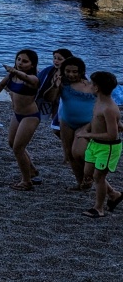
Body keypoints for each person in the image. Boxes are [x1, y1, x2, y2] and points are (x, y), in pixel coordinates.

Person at [0, 49, 43, 191]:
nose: (20, 63)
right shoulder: (12, 75)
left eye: (25, 61)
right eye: (18, 60)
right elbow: (0, 85)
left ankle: (26, 181)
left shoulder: (34, 78)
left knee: (18, 148)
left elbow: (27, 79)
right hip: (17, 115)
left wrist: (15, 71)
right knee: (12, 143)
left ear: (32, 64)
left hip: (30, 116)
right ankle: (32, 169)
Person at [75, 71, 122, 218]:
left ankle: (99, 208)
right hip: (95, 144)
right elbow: (110, 123)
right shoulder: (98, 102)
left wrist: (87, 134)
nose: (88, 85)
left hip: (107, 148)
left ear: (97, 88)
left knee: (99, 177)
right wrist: (87, 128)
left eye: (91, 83)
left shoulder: (109, 108)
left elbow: (112, 134)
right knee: (88, 173)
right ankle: (114, 194)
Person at [48, 56, 95, 190]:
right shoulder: (62, 84)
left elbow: (104, 102)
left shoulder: (91, 85)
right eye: (68, 71)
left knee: (79, 153)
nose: (71, 74)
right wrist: (54, 85)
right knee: (69, 154)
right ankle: (81, 183)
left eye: (75, 72)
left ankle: (89, 176)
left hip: (87, 123)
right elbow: (50, 98)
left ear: (81, 72)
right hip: (67, 122)